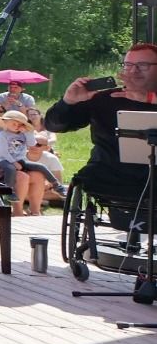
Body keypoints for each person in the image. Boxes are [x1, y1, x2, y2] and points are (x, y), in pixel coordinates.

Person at [45, 43, 157, 219]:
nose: (133, 71)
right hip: (109, 175)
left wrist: (150, 99)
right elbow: (54, 125)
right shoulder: (105, 98)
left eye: (143, 65)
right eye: (128, 65)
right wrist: (68, 102)